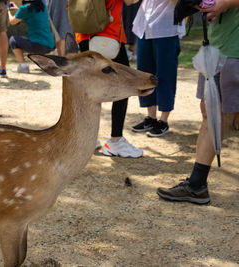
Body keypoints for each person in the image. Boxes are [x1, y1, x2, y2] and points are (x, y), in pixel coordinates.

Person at [157, 0, 239, 205]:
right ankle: (196, 185)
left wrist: (226, 3)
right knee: (210, 113)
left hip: (236, 51)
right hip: (216, 46)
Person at [75, 0, 144, 158]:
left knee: (90, 89)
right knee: (124, 86)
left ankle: (89, 138)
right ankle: (116, 140)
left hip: (85, 34)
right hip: (108, 36)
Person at [131, 0, 185, 137]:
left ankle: (163, 121)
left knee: (165, 75)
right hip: (143, 27)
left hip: (166, 28)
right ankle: (151, 118)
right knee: (145, 75)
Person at [8, 0, 55, 73]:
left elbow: (11, 22)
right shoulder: (42, 4)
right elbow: (31, 15)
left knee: (13, 40)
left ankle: (23, 66)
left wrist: (7, 10)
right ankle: (45, 63)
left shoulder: (24, 9)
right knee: (35, 40)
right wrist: (18, 9)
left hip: (38, 46)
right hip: (50, 45)